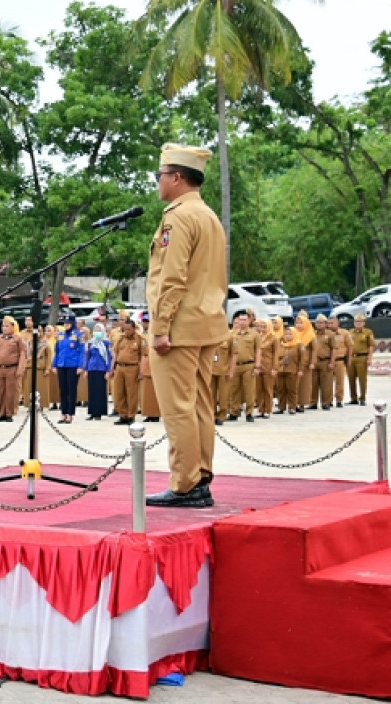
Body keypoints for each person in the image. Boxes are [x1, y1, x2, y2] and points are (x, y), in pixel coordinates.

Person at [145, 143, 228, 509]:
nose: (158, 182)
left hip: (178, 328)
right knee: (199, 405)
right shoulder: (208, 216)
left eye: (160, 175)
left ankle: (184, 483)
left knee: (178, 408)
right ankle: (200, 476)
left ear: (176, 177)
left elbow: (173, 277)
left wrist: (160, 327)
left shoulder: (178, 217)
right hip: (205, 323)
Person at [108, 319, 145, 426]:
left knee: (131, 393)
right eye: (125, 329)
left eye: (129, 329)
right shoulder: (120, 338)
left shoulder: (140, 339)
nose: (126, 332)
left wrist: (141, 371)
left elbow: (143, 356)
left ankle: (131, 415)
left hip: (132, 368)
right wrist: (111, 368)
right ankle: (123, 415)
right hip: (120, 367)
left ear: (134, 328)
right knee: (119, 392)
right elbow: (115, 354)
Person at [226, 312, 260, 422]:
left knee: (249, 390)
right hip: (235, 366)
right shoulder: (232, 335)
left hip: (248, 365)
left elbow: (258, 351)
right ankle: (234, 412)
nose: (242, 322)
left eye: (244, 320)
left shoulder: (254, 335)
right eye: (240, 320)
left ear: (249, 321)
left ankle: (249, 413)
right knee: (234, 390)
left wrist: (257, 366)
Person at [53, 315, 86, 424]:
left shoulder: (78, 335)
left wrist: (80, 366)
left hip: (73, 365)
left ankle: (70, 414)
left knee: (71, 390)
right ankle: (63, 413)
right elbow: (57, 351)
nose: (66, 325)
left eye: (68, 323)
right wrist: (54, 365)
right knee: (63, 390)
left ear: (72, 323)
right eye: (64, 323)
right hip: (61, 365)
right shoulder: (60, 335)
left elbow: (81, 351)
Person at [0, 317, 25, 422]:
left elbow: (22, 354)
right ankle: (1, 413)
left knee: (10, 392)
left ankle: (9, 413)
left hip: (12, 368)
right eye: (3, 326)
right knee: (0, 391)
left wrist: (20, 368)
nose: (4, 328)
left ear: (13, 327)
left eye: (7, 326)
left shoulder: (18, 339)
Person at [83, 324, 112, 421]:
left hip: (101, 369)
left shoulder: (106, 343)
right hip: (92, 368)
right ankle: (92, 412)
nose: (97, 332)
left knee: (100, 391)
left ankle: (99, 412)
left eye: (99, 330)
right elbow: (88, 356)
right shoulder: (91, 343)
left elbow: (108, 357)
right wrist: (86, 369)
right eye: (95, 330)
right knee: (92, 391)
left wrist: (108, 371)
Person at [274, 326, 303, 414]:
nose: (287, 336)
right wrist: (279, 364)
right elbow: (276, 357)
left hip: (292, 370)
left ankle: (292, 407)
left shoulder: (298, 345)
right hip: (281, 370)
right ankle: (281, 407)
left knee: (291, 390)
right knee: (280, 389)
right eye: (286, 334)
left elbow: (302, 359)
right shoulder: (281, 345)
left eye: (290, 334)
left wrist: (300, 370)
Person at [311, 314, 336, 410]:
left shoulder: (330, 334)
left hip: (325, 361)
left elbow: (334, 349)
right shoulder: (312, 334)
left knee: (326, 384)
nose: (319, 324)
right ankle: (313, 402)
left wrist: (332, 362)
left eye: (321, 323)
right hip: (314, 361)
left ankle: (326, 403)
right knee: (313, 383)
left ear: (326, 324)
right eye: (317, 323)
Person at [350, 314, 374, 405]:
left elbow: (371, 345)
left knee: (362, 379)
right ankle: (353, 398)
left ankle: (362, 398)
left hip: (362, 357)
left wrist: (370, 358)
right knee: (351, 379)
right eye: (356, 321)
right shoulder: (350, 332)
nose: (358, 323)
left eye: (360, 321)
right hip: (352, 357)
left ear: (364, 323)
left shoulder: (368, 332)